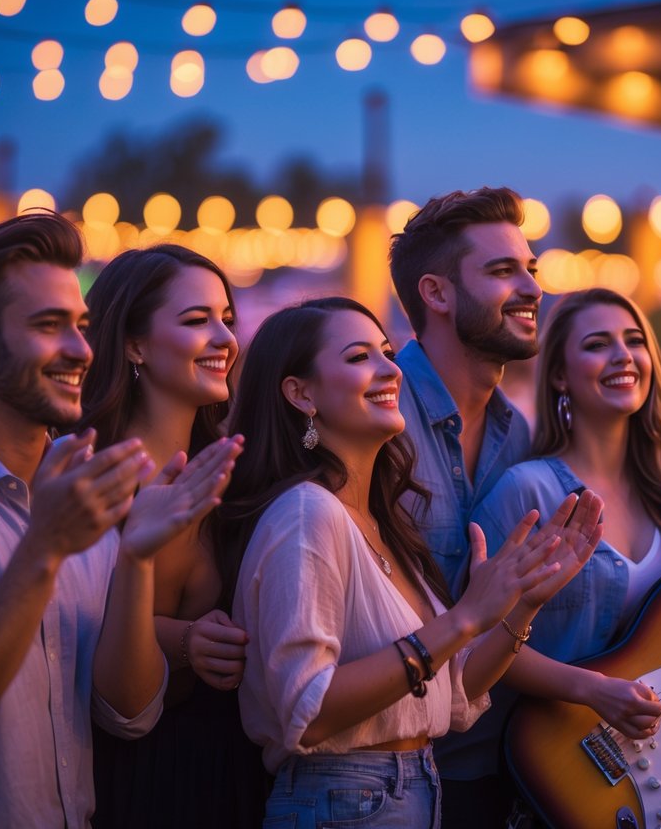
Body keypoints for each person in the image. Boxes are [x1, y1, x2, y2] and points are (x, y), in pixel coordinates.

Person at [0, 212, 238, 828]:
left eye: (81, 325)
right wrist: (46, 546)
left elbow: (129, 712)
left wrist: (134, 556)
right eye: (49, 326)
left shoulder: (78, 494)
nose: (81, 349)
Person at [223, 296, 603, 828]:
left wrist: (520, 608)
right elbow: (307, 710)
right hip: (342, 799)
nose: (389, 369)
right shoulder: (307, 514)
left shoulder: (380, 521)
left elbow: (454, 695)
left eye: (386, 352)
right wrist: (465, 617)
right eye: (359, 357)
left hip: (412, 788)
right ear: (301, 393)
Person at [450, 288, 661, 827]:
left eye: (634, 341)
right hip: (568, 783)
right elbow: (469, 646)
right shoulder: (529, 491)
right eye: (597, 344)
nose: (622, 356)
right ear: (560, 376)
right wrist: (593, 690)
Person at [77, 244, 266, 827]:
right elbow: (74, 624)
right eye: (195, 320)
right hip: (127, 778)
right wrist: (185, 639)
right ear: (134, 344)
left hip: (227, 772)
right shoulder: (87, 478)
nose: (224, 339)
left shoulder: (233, 474)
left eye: (226, 319)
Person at [389, 187, 543, 823]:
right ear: (438, 293)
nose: (532, 288)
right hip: (393, 778)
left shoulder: (523, 436)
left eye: (532, 269)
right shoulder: (378, 421)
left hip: (504, 769)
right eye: (504, 271)